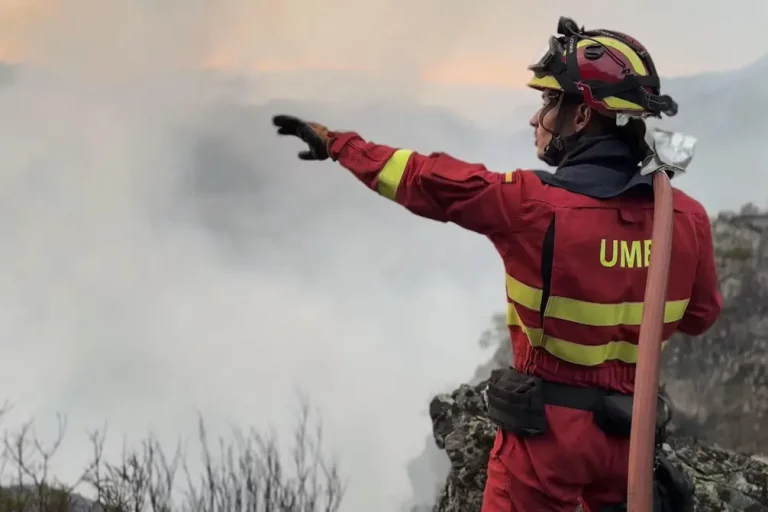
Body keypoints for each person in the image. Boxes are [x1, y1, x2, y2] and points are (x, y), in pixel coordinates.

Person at [271, 17, 721, 512]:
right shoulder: (686, 217)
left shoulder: (531, 205)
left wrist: (339, 145)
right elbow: (699, 317)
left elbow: (429, 180)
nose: (536, 117)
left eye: (550, 100)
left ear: (581, 117)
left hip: (544, 445)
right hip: (629, 442)